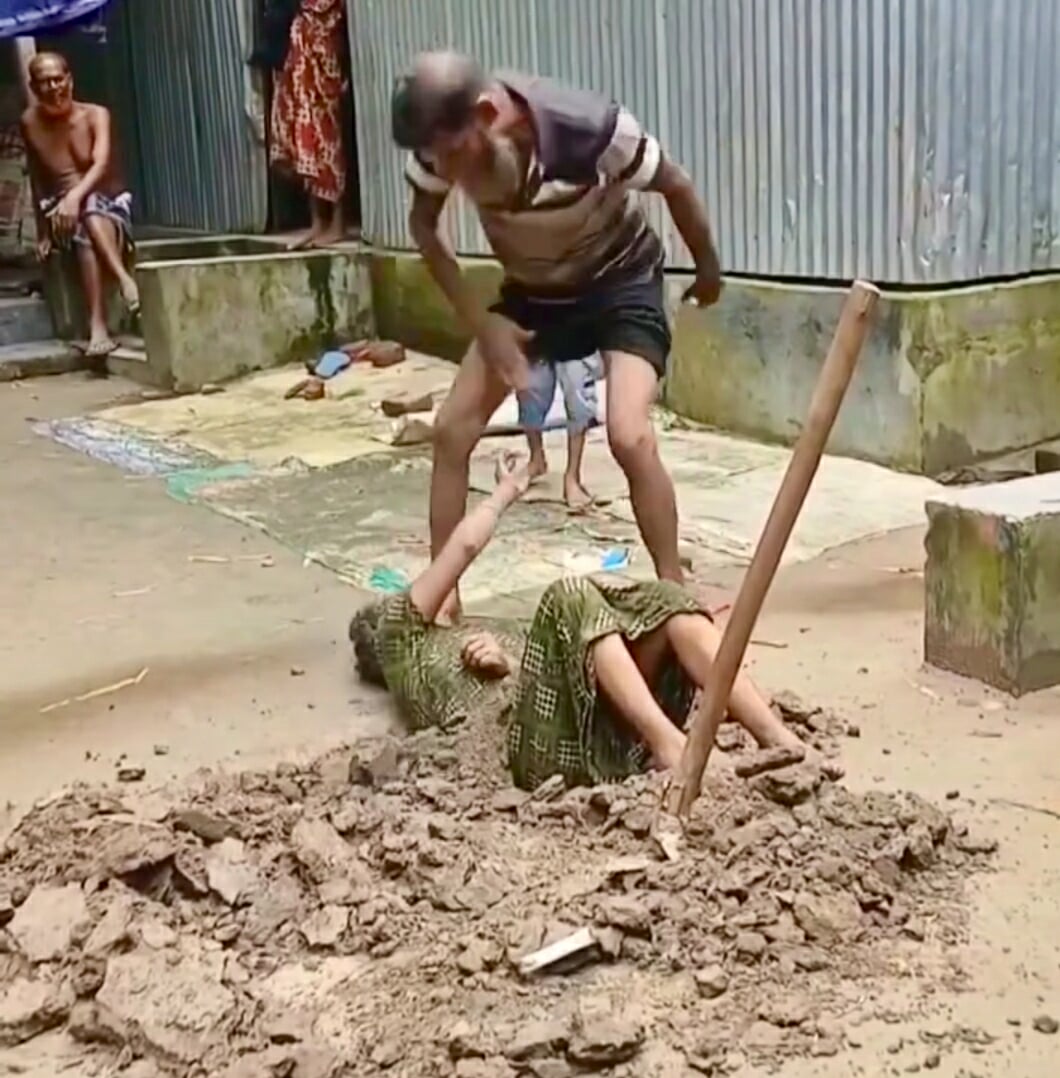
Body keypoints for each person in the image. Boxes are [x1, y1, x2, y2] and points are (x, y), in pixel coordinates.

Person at [391, 52, 723, 622]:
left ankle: (675, 596)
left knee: (629, 435)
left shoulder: (589, 130)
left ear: (486, 115)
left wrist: (708, 268)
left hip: (619, 280)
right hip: (534, 292)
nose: (444, 169)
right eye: (434, 157)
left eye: (452, 153)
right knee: (451, 429)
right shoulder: (439, 144)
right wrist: (484, 326)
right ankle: (441, 599)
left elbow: (675, 182)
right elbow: (423, 224)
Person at [349, 453, 807, 791]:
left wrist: (507, 661)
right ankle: (674, 748)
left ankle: (776, 738)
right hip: (538, 757)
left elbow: (556, 669)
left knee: (666, 601)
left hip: (599, 730)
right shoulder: (401, 639)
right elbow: (463, 548)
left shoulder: (480, 632)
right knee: (567, 597)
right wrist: (507, 491)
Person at [21, 52, 138, 362]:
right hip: (62, 213)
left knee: (90, 210)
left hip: (107, 204)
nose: (53, 88)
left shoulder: (96, 115)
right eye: (44, 82)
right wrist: (43, 232)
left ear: (70, 81)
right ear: (33, 88)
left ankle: (101, 320)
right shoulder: (30, 122)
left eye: (58, 80)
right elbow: (37, 177)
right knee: (83, 219)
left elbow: (100, 164)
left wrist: (75, 198)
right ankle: (121, 288)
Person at [269, 0, 348, 249]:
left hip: (324, 70)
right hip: (302, 70)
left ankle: (338, 222)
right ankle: (317, 222)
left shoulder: (330, 12)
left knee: (329, 144)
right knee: (306, 146)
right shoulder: (303, 13)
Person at [519, 352, 602, 509]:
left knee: (577, 392)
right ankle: (536, 459)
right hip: (539, 339)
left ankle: (573, 475)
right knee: (528, 386)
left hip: (577, 343)